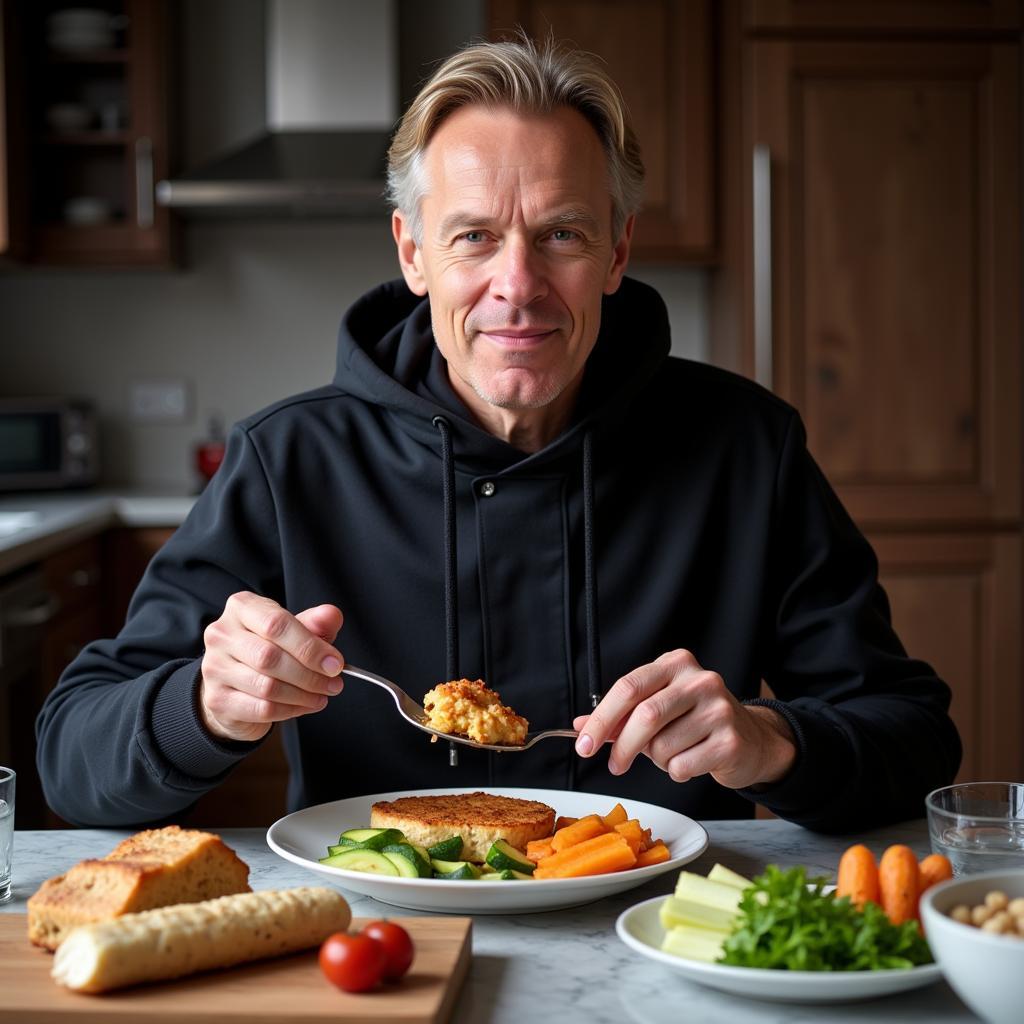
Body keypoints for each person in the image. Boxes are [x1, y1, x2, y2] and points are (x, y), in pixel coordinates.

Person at [36, 37, 960, 832]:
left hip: (663, 939)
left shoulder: (746, 448)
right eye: (474, 237)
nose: (517, 285)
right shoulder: (290, 462)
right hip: (380, 943)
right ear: (412, 252)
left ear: (617, 251)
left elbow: (915, 739)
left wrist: (772, 742)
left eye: (560, 234)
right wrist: (200, 706)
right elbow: (71, 755)